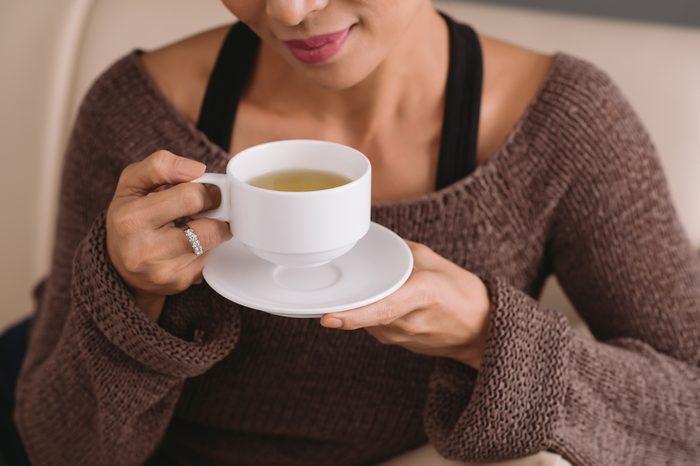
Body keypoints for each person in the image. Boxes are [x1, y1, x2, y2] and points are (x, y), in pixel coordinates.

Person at [12, 1, 700, 465]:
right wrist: (128, 296)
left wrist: (488, 336)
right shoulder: (137, 110)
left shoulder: (563, 126)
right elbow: (59, 446)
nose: (286, 10)